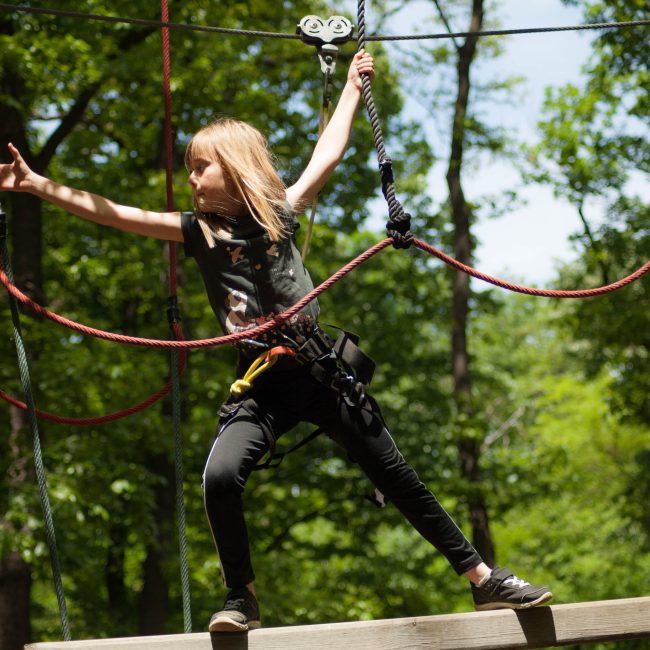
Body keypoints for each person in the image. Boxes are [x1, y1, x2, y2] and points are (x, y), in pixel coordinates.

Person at [0, 50, 552, 633]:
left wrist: (350, 86)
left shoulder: (281, 213)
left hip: (318, 371)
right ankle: (241, 597)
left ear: (234, 168)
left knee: (394, 472)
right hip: (261, 382)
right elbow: (115, 214)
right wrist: (39, 186)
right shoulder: (197, 232)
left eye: (200, 168)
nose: (190, 179)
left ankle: (482, 579)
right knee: (219, 476)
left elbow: (328, 154)